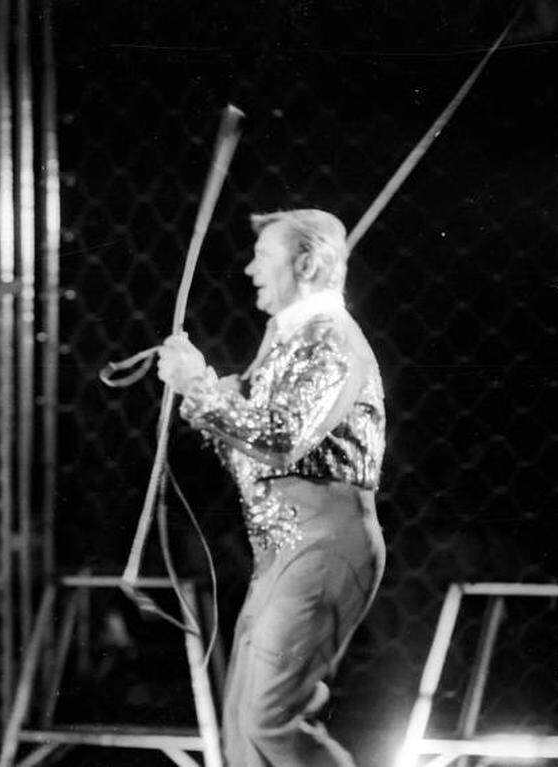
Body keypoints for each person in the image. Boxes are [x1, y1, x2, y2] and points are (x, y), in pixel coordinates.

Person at [157, 209, 386, 766]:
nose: (250, 269)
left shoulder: (328, 339)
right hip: (283, 550)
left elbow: (282, 440)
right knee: (244, 725)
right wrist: (205, 390)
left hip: (323, 544)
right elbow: (254, 454)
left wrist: (201, 389)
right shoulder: (288, 339)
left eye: (264, 257)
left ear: (305, 265)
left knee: (268, 718)